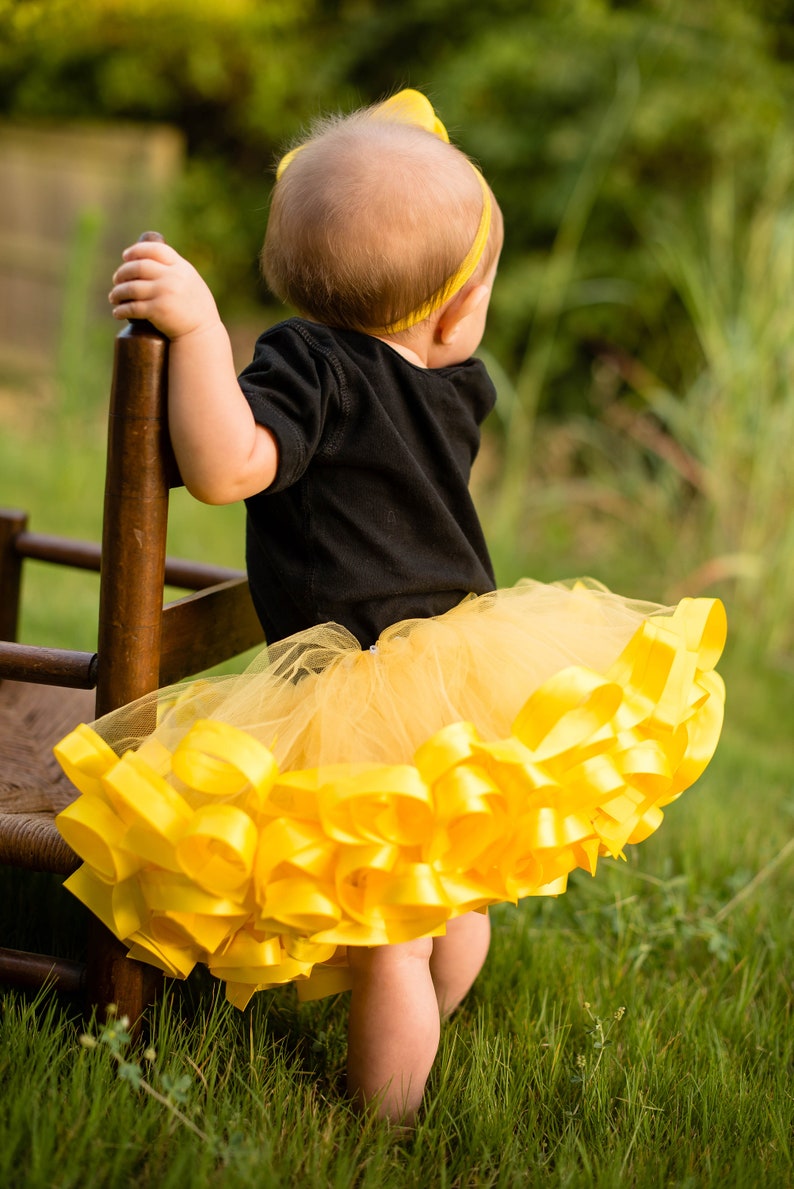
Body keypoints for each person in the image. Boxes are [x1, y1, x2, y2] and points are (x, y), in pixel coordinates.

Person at [54, 91, 726, 1124]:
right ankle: (418, 1046)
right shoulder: (457, 386)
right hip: (463, 665)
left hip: (361, 685)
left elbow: (228, 464)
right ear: (455, 315)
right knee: (450, 894)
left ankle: (385, 1120)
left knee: (390, 941)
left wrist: (198, 330)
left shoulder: (311, 363)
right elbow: (246, 466)